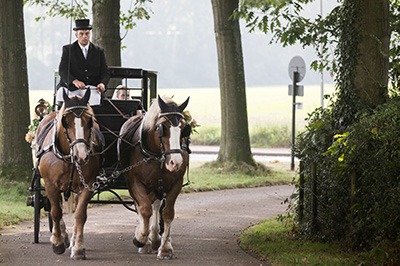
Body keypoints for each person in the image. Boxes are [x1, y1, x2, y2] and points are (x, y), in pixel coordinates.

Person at [56, 19, 110, 107]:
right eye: (81, 34)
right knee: (61, 95)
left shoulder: (98, 51)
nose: (84, 36)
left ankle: (93, 120)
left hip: (91, 88)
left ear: (90, 34)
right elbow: (63, 70)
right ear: (76, 35)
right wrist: (74, 81)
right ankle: (59, 119)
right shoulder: (68, 49)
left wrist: (102, 83)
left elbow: (105, 71)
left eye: (87, 33)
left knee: (95, 101)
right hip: (71, 88)